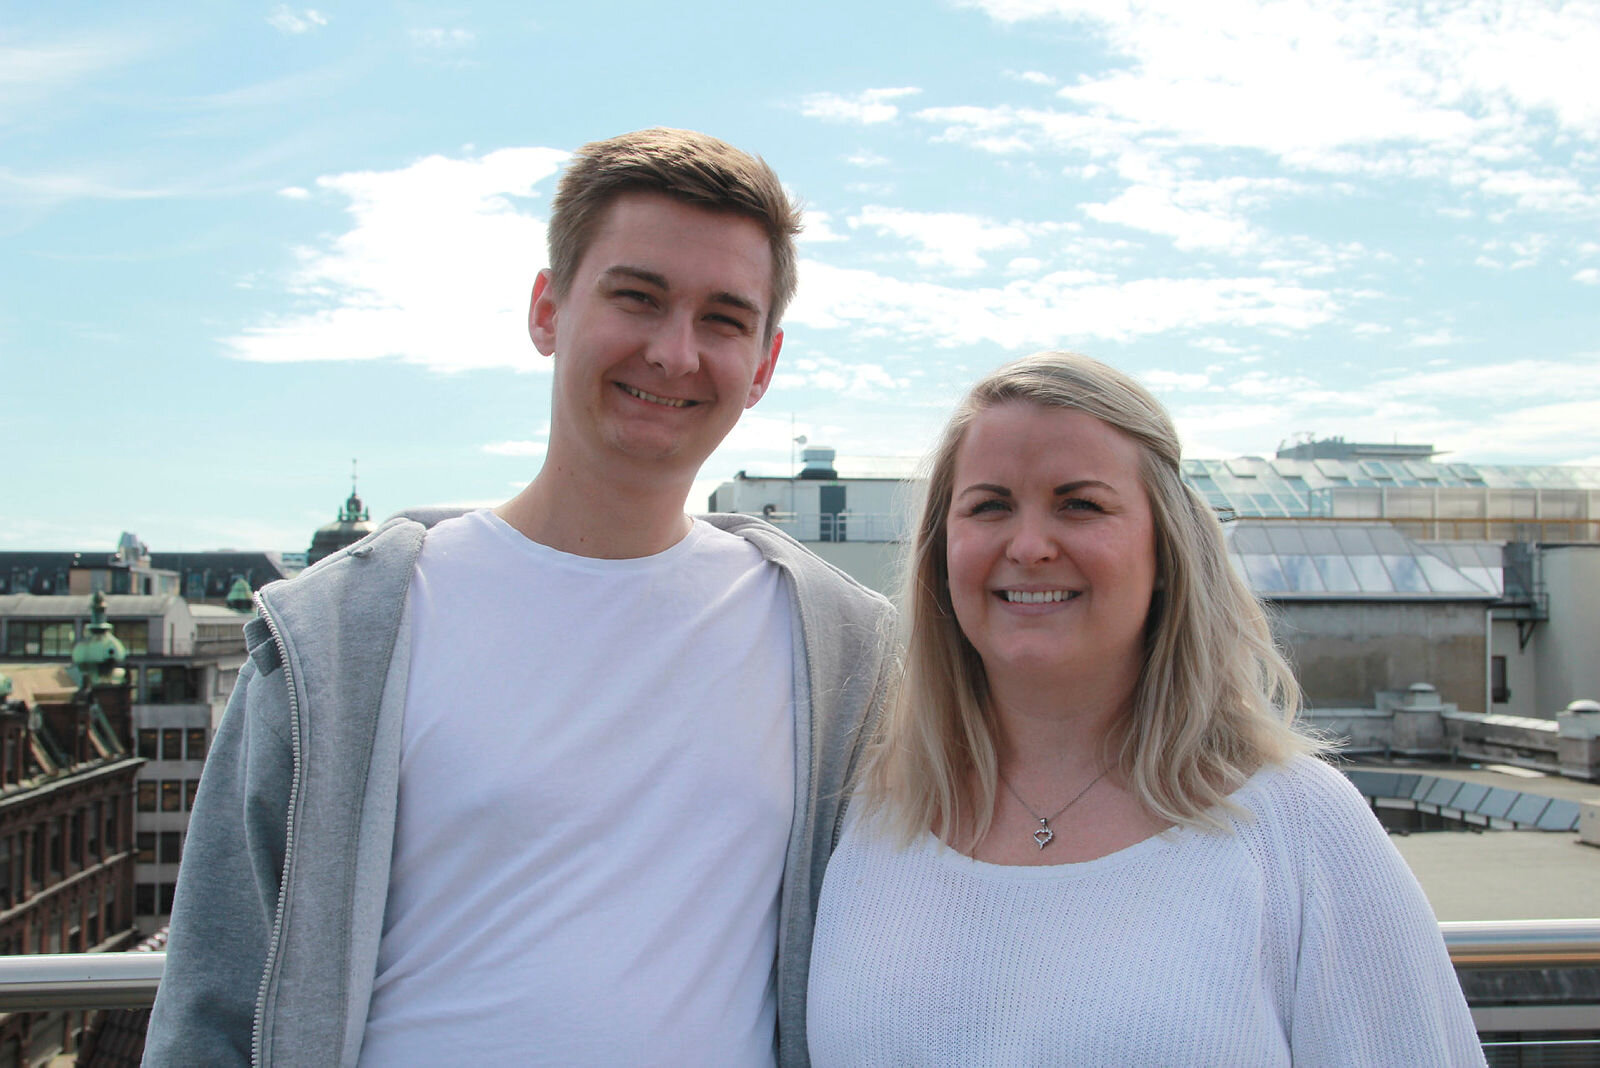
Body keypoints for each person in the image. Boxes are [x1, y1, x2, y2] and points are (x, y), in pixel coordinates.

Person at [145, 128, 894, 1066]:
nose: (673, 352)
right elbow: (215, 1002)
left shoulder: (837, 649)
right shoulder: (343, 637)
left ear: (765, 364)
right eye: (638, 297)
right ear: (548, 310)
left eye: (723, 319)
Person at [807, 352, 1484, 1065]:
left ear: (1165, 552)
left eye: (1081, 504)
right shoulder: (866, 812)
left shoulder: (1300, 829)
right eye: (989, 505)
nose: (1030, 545)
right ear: (940, 552)